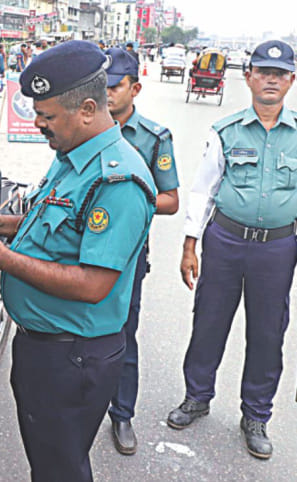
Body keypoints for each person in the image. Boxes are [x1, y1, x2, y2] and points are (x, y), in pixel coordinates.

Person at [0, 40, 156, 481]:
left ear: (87, 109)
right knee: (50, 461)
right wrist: (6, 224)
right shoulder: (71, 158)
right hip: (46, 349)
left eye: (48, 116)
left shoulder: (118, 180)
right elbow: (55, 221)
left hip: (72, 359)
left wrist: (4, 260)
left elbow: (92, 284)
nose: (38, 124)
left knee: (60, 470)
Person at [174, 40, 297, 460]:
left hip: (278, 248)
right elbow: (203, 189)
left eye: (279, 74)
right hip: (225, 241)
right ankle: (197, 396)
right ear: (248, 77)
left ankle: (256, 414)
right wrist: (190, 244)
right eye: (263, 72)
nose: (271, 80)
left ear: (291, 81)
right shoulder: (225, 131)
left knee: (267, 332)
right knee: (209, 321)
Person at [103, 47, 180, 455]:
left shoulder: (153, 138)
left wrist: (135, 200)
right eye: (103, 85)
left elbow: (171, 199)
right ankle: (82, 408)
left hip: (128, 255)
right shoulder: (87, 129)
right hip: (83, 248)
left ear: (135, 88)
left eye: (115, 86)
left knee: (122, 334)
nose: (108, 94)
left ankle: (122, 414)